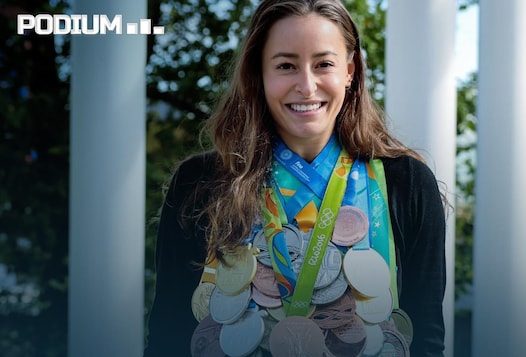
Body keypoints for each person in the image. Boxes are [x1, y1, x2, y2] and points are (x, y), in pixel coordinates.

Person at [143, 0, 446, 356]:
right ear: (259, 74)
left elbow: (426, 342)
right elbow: (168, 338)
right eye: (286, 65)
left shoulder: (407, 183)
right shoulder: (199, 182)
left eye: (324, 64)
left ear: (350, 71)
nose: (306, 85)